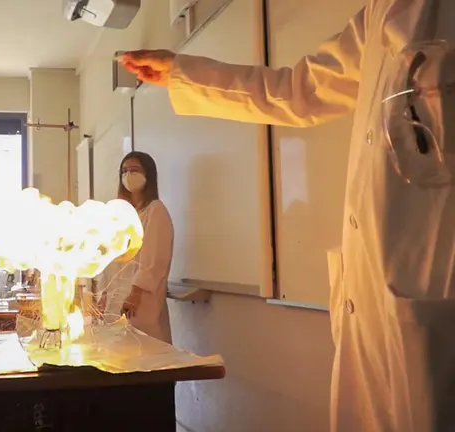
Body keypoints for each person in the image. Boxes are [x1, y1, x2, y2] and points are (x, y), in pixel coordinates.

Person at [119, 2, 455, 430]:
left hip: (433, 282)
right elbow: (301, 89)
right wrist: (184, 74)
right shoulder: (381, 12)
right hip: (377, 294)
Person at [98, 152, 174, 343]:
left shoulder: (155, 210)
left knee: (143, 352)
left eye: (134, 170)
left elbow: (154, 259)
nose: (128, 175)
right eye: (124, 171)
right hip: (116, 301)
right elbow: (110, 258)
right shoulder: (122, 215)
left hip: (140, 302)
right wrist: (104, 292)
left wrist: (136, 294)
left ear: (148, 175)